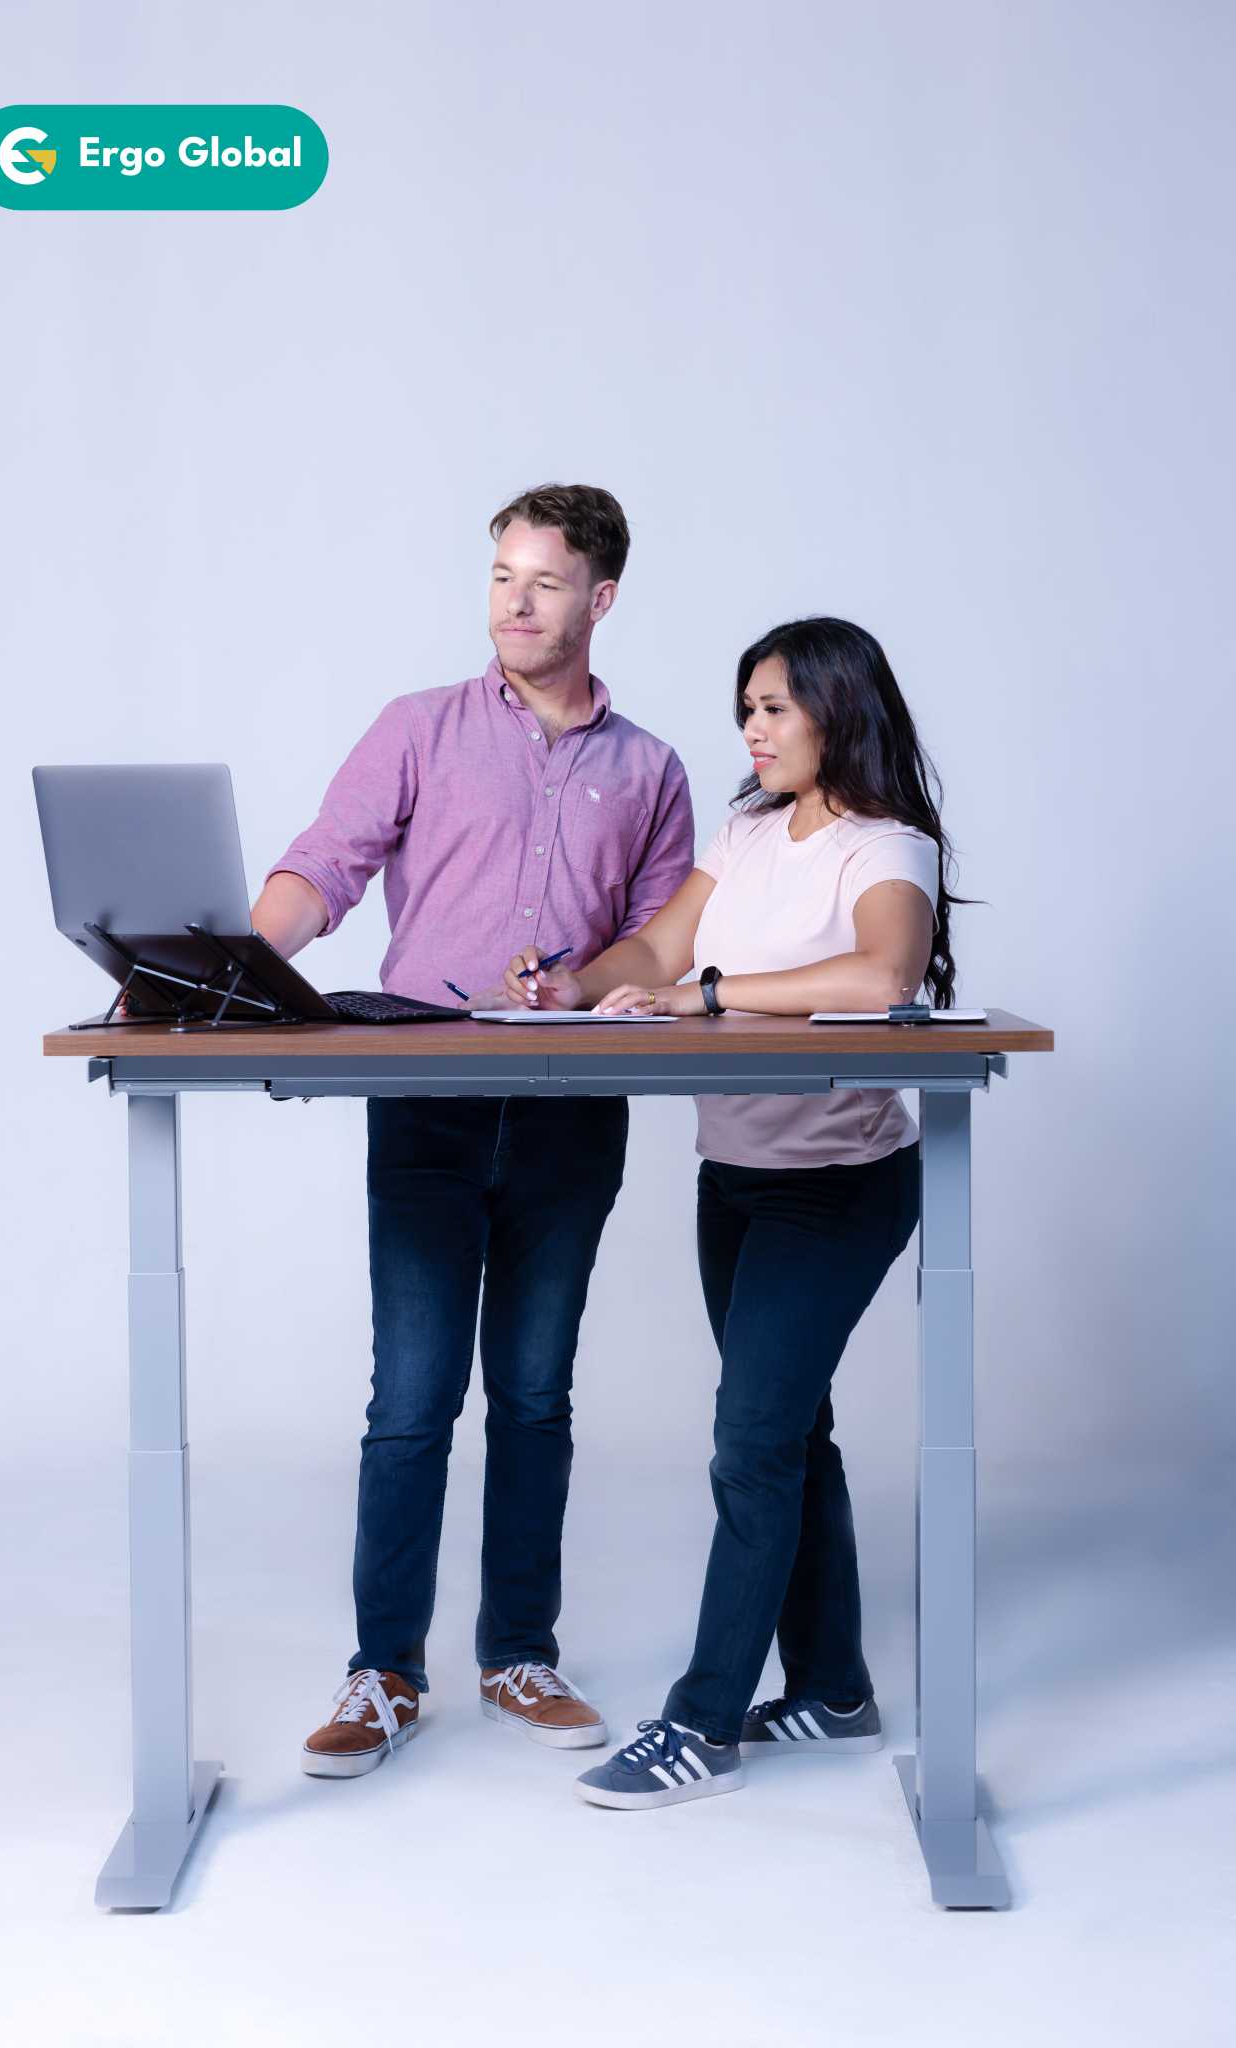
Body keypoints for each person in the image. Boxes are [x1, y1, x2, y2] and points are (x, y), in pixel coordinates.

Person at [250, 485, 695, 1777]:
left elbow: (660, 936)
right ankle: (382, 1671)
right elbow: (324, 865)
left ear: (599, 599)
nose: (513, 601)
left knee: (536, 1394)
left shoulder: (649, 769)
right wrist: (222, 965)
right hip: (427, 1099)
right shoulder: (419, 728)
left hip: (570, 1108)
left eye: (544, 581)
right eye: (501, 575)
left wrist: (585, 979)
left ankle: (517, 1651)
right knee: (410, 1398)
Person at [501, 615, 963, 1809]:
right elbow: (658, 939)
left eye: (772, 708)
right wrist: (579, 980)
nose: (750, 729)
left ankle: (702, 1720)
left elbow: (880, 977)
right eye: (744, 708)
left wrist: (700, 995)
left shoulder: (885, 847)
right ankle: (833, 1687)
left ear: (835, 711)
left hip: (842, 1185)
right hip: (737, 1175)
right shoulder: (749, 828)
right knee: (789, 1430)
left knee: (749, 1443)